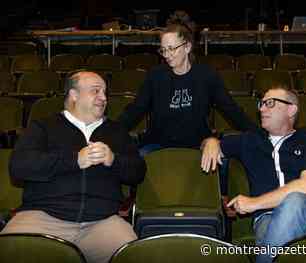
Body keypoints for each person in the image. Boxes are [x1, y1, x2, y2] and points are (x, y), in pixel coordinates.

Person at [0, 71, 146, 263]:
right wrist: (74, 160)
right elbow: (19, 167)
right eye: (96, 91)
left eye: (104, 92)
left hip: (101, 222)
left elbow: (138, 172)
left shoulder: (116, 131)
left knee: (135, 256)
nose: (103, 97)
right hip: (43, 217)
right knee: (8, 250)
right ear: (74, 94)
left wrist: (113, 160)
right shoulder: (43, 127)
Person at [201, 85, 306, 263]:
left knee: (294, 201)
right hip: (267, 217)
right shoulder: (250, 141)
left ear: (291, 109)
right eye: (262, 104)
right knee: (271, 233)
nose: (262, 109)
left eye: (270, 103)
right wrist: (211, 141)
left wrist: (254, 203)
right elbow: (208, 146)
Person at [117, 10, 256, 156]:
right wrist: (108, 133)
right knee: (138, 162)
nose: (167, 56)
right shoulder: (155, 76)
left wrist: (259, 134)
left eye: (172, 49)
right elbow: (134, 111)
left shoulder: (207, 76)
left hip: (198, 145)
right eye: (163, 50)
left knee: (222, 160)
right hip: (158, 145)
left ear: (187, 47)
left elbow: (231, 110)